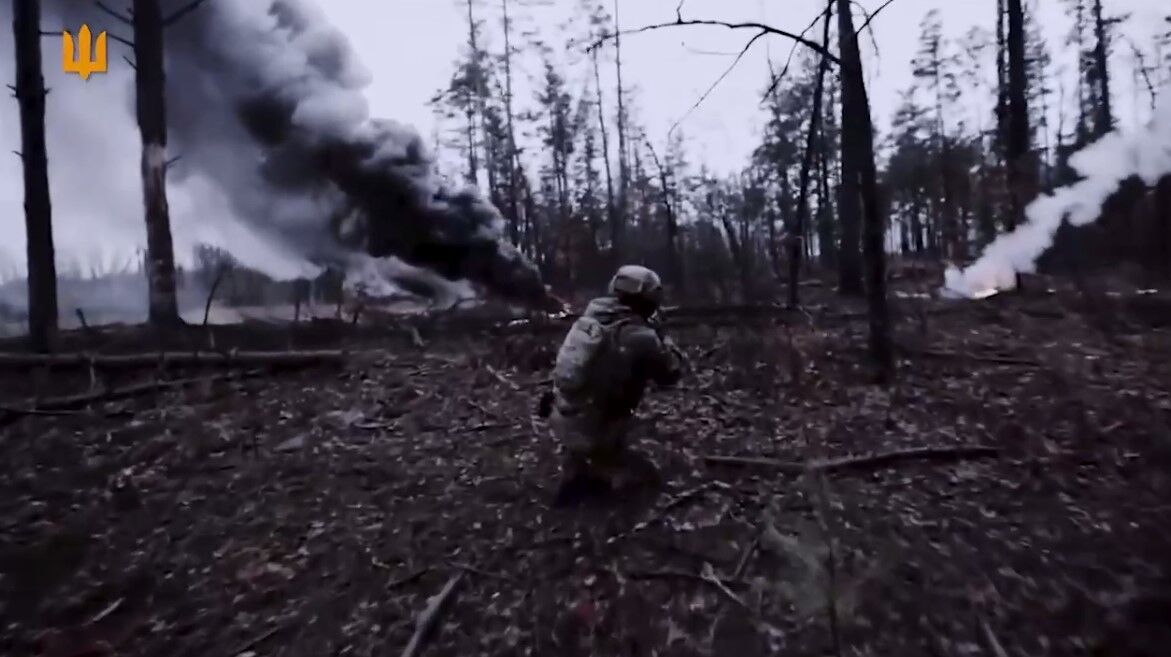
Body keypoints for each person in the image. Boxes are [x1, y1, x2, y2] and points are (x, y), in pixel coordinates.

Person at [544, 265, 685, 506]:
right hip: (595, 426)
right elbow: (671, 375)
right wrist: (663, 334)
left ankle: (578, 469)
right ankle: (607, 478)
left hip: (562, 416)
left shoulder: (590, 319)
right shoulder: (640, 336)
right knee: (651, 476)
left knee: (598, 406)